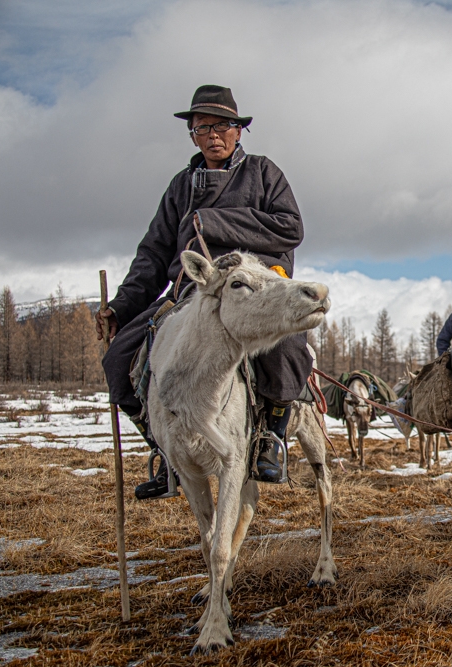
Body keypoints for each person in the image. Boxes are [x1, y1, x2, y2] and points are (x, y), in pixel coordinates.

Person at [95, 84, 310, 499]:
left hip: (252, 290)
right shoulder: (180, 186)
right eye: (202, 128)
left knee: (288, 348)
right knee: (119, 361)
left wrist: (213, 221)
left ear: (238, 130)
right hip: (190, 293)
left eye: (222, 126)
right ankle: (165, 448)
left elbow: (290, 228)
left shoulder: (264, 173)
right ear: (192, 135)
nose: (213, 135)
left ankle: (270, 437)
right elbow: (154, 254)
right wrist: (121, 308)